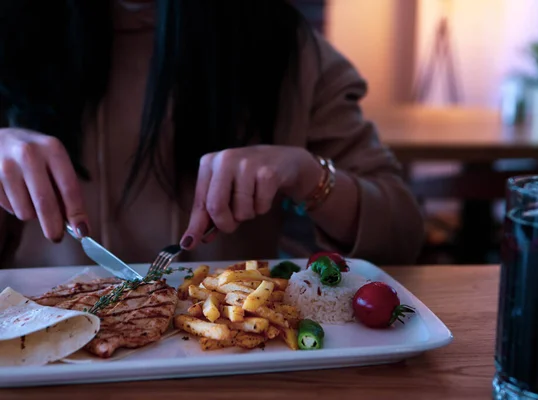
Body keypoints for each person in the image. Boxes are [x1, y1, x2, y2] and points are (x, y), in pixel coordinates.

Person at [0, 0, 424, 268]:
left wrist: (308, 174)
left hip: (229, 367)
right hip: (38, 355)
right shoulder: (12, 33)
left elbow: (400, 235)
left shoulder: (283, 46)